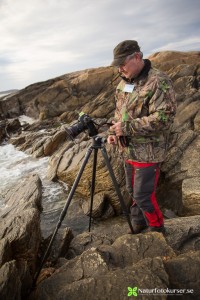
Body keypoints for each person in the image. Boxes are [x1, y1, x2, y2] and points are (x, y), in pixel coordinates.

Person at [107, 40, 176, 234]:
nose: (120, 69)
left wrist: (126, 128)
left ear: (137, 57)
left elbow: (165, 118)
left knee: (143, 194)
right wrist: (113, 132)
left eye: (123, 64)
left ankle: (157, 227)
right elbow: (119, 113)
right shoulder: (123, 84)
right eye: (117, 65)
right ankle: (138, 222)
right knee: (131, 190)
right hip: (128, 150)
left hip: (149, 151)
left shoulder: (158, 81)